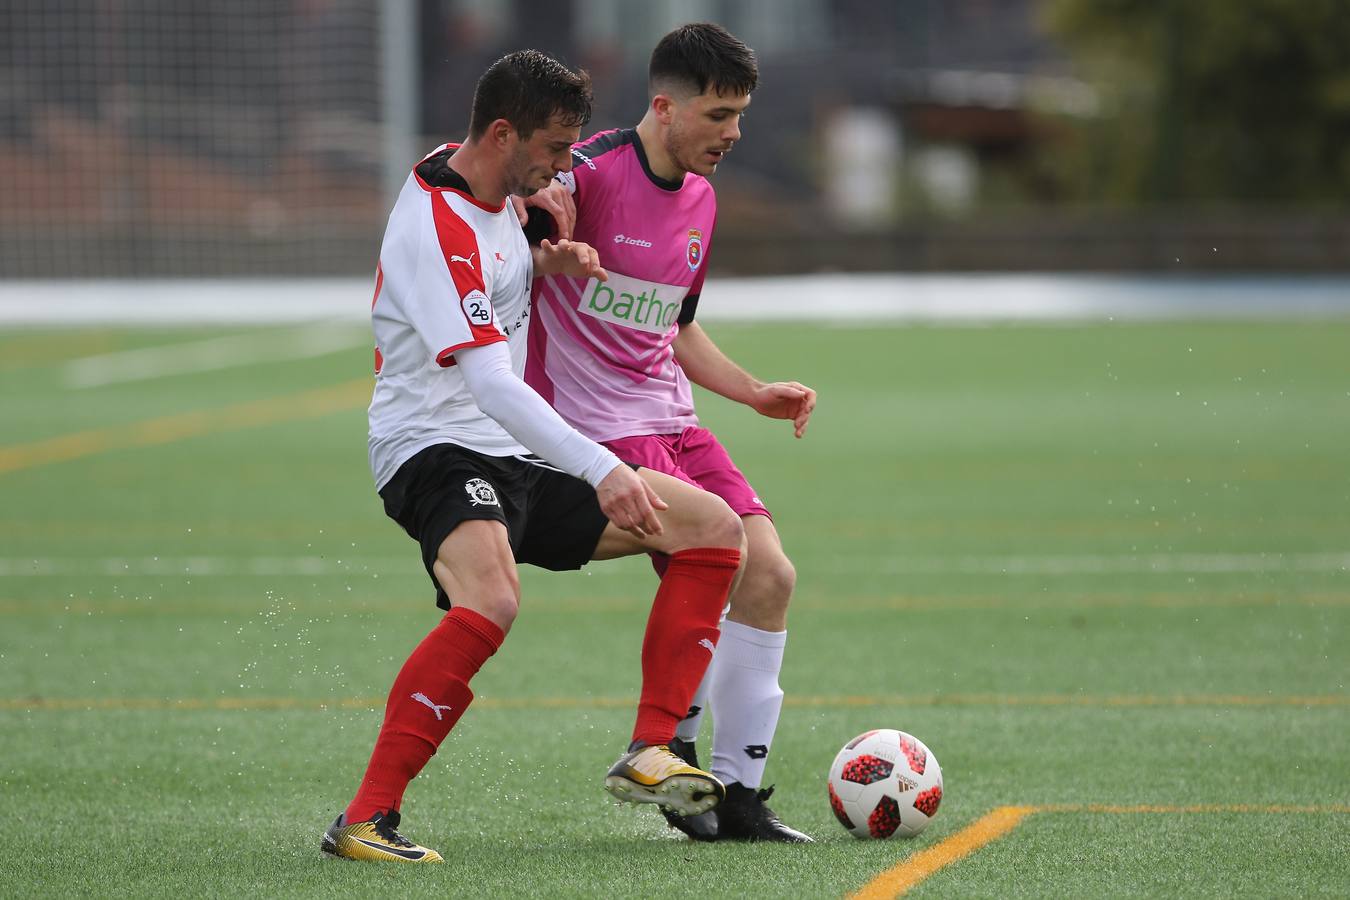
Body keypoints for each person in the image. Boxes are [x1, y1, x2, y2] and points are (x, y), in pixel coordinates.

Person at [321, 49, 746, 864]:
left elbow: (502, 256)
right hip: (433, 447)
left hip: (512, 446)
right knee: (493, 601)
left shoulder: (491, 183)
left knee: (712, 531)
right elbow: (488, 383)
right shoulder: (435, 227)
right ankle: (365, 820)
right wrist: (604, 467)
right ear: (505, 132)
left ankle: (650, 749)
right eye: (555, 151)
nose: (565, 169)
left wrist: (550, 252)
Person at [519, 24, 816, 843]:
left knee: (773, 577)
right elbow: (514, 231)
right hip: (596, 430)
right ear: (664, 106)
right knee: (714, 555)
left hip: (675, 420)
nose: (734, 133)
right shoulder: (586, 175)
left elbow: (675, 328)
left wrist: (753, 392)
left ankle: (737, 795)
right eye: (719, 114)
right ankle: (667, 752)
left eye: (741, 115)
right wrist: (535, 226)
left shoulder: (702, 199)